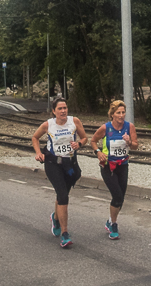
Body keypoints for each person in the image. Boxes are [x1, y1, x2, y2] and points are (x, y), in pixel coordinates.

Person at [31, 97, 88, 249]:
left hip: (70, 164)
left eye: (65, 108)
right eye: (60, 109)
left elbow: (85, 138)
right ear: (54, 111)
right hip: (53, 164)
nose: (63, 111)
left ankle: (55, 218)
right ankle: (65, 234)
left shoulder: (74, 121)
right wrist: (38, 153)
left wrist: (79, 144)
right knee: (63, 196)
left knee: (63, 195)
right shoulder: (48, 124)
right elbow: (35, 138)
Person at [92, 99, 138, 240]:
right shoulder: (105, 128)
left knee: (121, 198)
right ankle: (114, 224)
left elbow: (136, 146)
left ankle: (110, 220)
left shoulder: (129, 127)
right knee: (117, 196)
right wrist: (98, 152)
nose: (121, 115)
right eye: (118, 112)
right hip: (108, 166)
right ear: (112, 114)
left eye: (123, 112)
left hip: (123, 165)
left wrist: (129, 142)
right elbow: (93, 141)